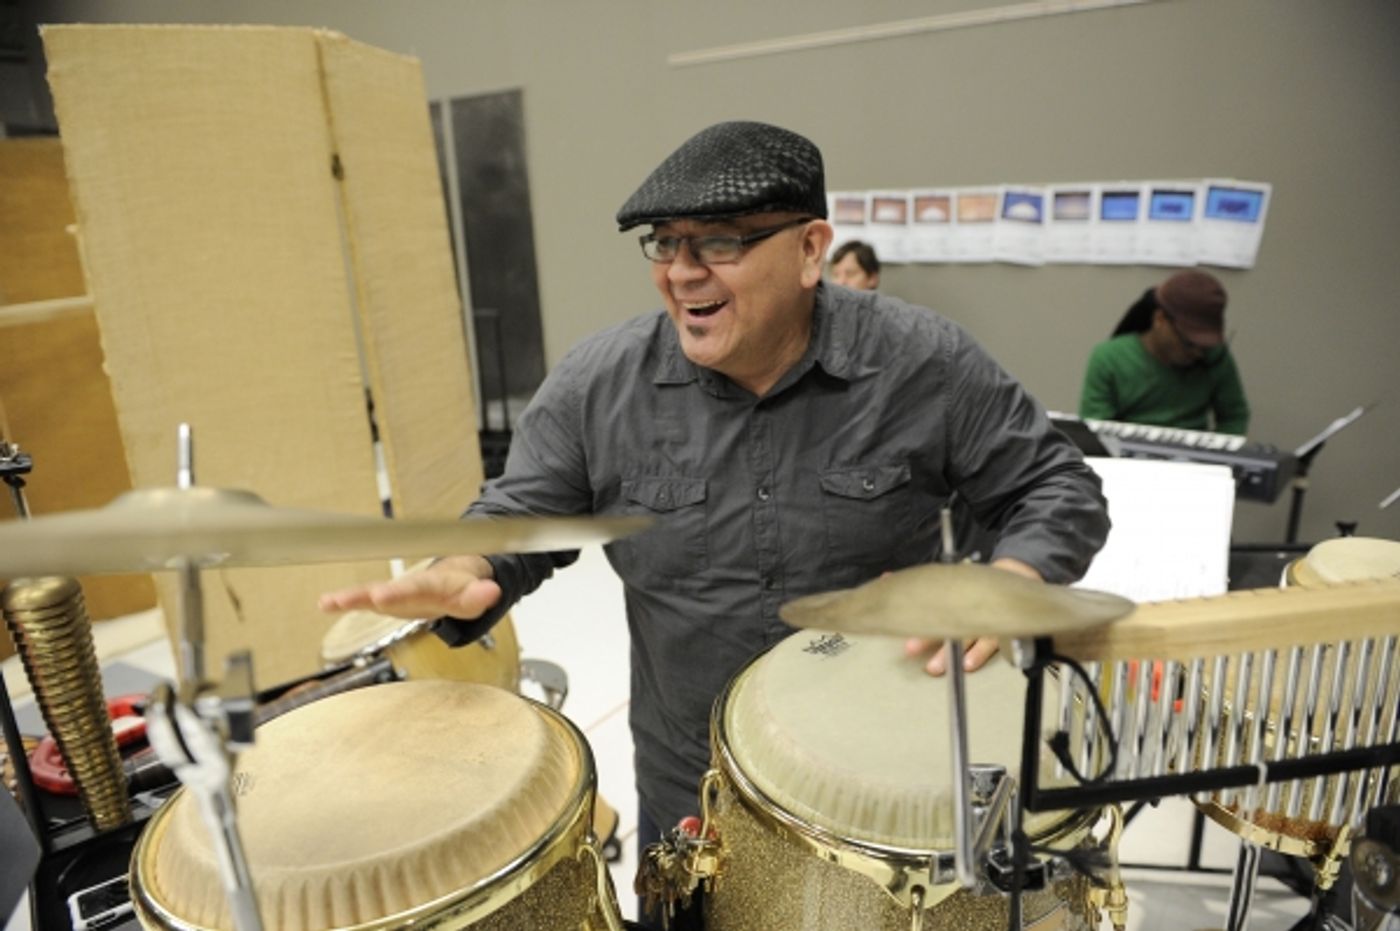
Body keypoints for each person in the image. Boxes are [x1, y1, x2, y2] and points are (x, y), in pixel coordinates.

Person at [319, 121, 1110, 929]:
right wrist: (469, 567)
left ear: (810, 250)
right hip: (688, 780)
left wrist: (1008, 579)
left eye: (720, 243)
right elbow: (521, 512)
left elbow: (1057, 486)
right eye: (663, 244)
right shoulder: (601, 384)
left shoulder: (922, 363)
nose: (680, 272)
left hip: (878, 799)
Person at [1078, 269, 1251, 435]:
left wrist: (1217, 453)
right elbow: (1096, 429)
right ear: (1160, 319)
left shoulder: (1215, 357)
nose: (1199, 353)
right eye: (1189, 343)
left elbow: (1234, 416)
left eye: (1205, 346)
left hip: (1197, 460)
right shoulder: (1109, 358)